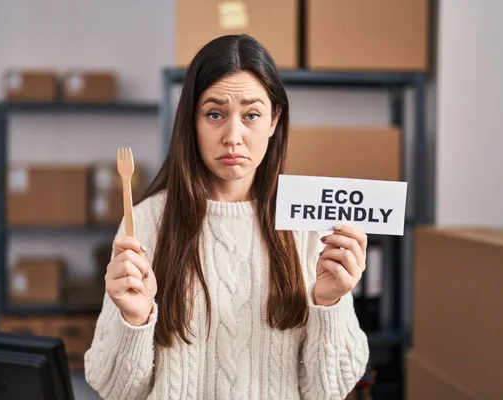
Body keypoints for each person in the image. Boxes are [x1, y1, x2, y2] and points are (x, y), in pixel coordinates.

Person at [84, 34, 370, 400]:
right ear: (192, 120)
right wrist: (134, 321)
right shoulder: (145, 222)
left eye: (251, 115)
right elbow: (117, 390)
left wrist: (330, 302)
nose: (233, 136)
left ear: (274, 119)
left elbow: (326, 391)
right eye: (215, 114)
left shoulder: (311, 224)